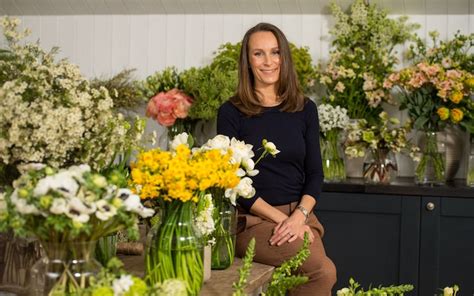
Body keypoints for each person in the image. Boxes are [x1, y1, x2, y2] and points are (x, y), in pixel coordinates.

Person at [216, 23, 337, 296]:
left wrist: (298, 217)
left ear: (284, 57)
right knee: (322, 270)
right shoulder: (231, 112)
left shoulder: (305, 108)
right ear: (247, 61)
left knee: (310, 274)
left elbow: (315, 174)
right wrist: (282, 220)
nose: (268, 61)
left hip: (302, 214)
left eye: (275, 52)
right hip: (254, 220)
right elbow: (232, 180)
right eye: (258, 54)